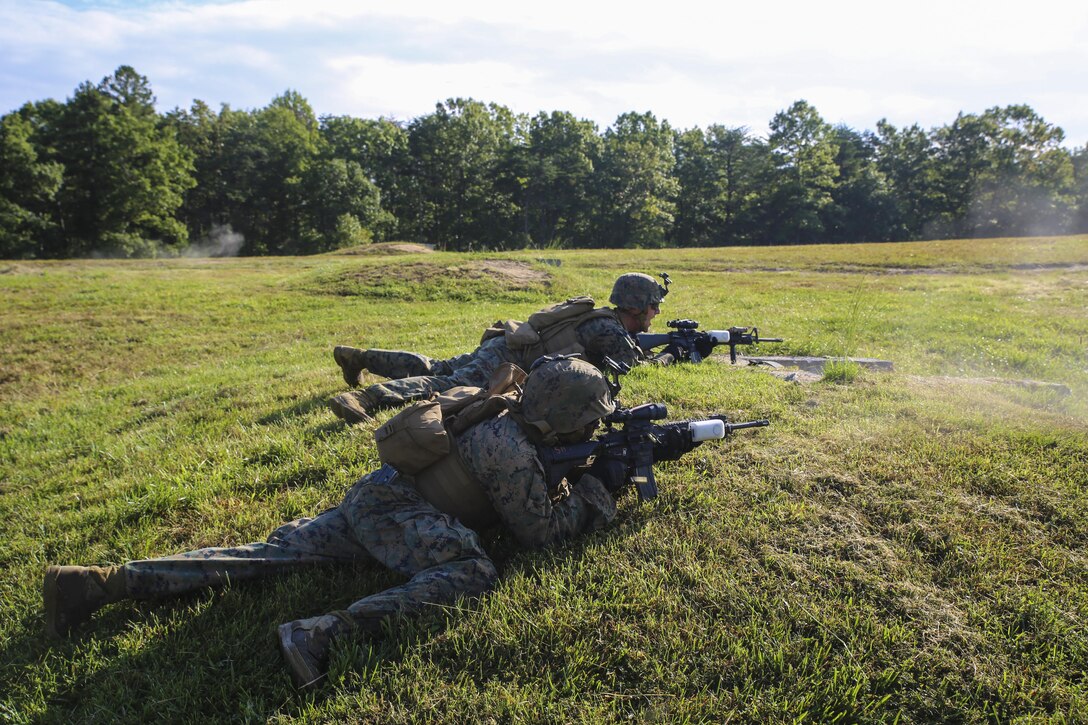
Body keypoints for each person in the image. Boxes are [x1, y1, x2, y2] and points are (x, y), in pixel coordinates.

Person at [43, 357, 620, 689]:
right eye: (588, 421)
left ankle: (97, 582)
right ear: (564, 414)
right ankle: (319, 635)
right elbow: (540, 534)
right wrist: (595, 490)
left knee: (269, 554)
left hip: (376, 497)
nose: (591, 431)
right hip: (403, 513)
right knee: (471, 571)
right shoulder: (511, 449)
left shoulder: (498, 403)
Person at [328, 272, 669, 424]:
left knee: (437, 368)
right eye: (654, 306)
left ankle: (360, 358)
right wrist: (673, 354)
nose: (656, 313)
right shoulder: (608, 331)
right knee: (449, 385)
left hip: (506, 342)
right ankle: (366, 398)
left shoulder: (604, 319)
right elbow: (638, 367)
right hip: (509, 359)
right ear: (638, 306)